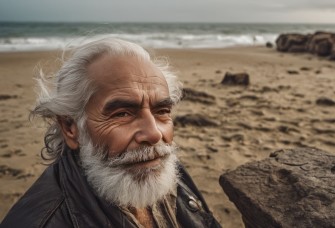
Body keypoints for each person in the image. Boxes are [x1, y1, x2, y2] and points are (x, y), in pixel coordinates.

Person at [0, 38, 221, 228]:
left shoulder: (158, 164)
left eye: (162, 111)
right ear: (70, 127)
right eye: (122, 114)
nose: (154, 134)